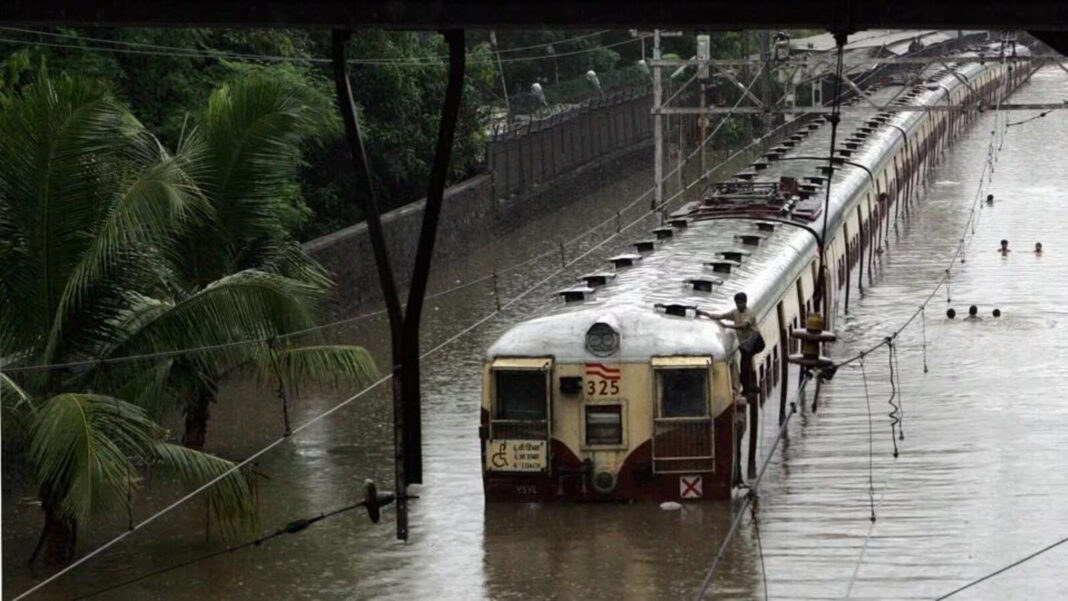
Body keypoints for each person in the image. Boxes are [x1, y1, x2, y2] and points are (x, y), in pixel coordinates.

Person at [698, 292, 759, 392]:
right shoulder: (735, 313)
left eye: (741, 303)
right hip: (745, 344)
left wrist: (727, 326)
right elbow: (721, 316)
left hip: (755, 341)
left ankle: (748, 387)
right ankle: (747, 386)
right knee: (744, 363)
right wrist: (705, 314)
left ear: (745, 302)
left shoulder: (750, 313)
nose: (739, 305)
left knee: (745, 364)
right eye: (737, 303)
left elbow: (744, 325)